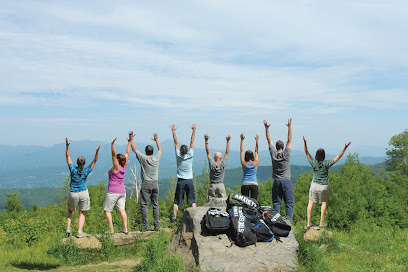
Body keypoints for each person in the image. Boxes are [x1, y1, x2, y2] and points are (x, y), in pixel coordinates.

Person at [303, 136, 351, 228]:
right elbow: (339, 157)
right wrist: (345, 148)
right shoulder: (327, 163)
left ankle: (309, 223)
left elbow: (306, 152)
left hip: (314, 185)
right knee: (324, 203)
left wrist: (305, 143)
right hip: (324, 186)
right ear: (324, 156)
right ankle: (321, 223)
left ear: (316, 155)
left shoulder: (313, 162)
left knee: (310, 203)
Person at [65, 138, 100, 238]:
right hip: (84, 192)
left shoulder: (72, 169)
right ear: (84, 163)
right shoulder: (86, 171)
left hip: (73, 193)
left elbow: (67, 156)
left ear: (77, 162)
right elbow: (95, 161)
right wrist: (97, 152)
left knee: (70, 211)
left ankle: (68, 228)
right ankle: (79, 232)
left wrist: (67, 146)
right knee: (82, 212)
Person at [264, 118, 295, 222]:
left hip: (277, 181)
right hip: (287, 181)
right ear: (283, 147)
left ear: (276, 147)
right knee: (289, 202)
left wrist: (266, 128)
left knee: (276, 202)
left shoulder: (273, 154)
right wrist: (289, 127)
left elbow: (269, 141)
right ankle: (289, 222)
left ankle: (277, 221)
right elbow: (289, 140)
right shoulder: (286, 154)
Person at [131, 133, 162, 231]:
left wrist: (131, 140)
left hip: (146, 184)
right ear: (153, 152)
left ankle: (145, 227)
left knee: (144, 205)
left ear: (145, 152)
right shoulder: (156, 158)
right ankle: (157, 226)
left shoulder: (143, 159)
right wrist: (157, 140)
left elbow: (134, 150)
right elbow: (160, 150)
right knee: (155, 205)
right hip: (155, 183)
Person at [103, 135, 133, 234]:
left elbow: (113, 155)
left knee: (107, 211)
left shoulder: (116, 167)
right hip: (122, 192)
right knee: (122, 210)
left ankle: (111, 230)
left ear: (117, 161)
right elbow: (127, 153)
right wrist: (130, 142)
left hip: (113, 192)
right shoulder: (123, 166)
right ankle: (125, 229)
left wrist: (112, 145)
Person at [170, 123, 197, 224]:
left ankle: (174, 218)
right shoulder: (190, 155)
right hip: (189, 181)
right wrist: (194, 131)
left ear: (180, 151)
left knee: (176, 201)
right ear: (187, 151)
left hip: (180, 181)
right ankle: (195, 218)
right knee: (192, 201)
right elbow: (192, 142)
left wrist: (173, 132)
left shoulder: (178, 156)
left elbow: (175, 143)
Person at [204, 133, 231, 201]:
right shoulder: (222, 164)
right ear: (221, 158)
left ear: (214, 157)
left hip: (212, 185)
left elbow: (208, 153)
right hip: (220, 185)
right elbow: (227, 153)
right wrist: (228, 141)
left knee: (210, 203)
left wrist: (206, 141)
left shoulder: (212, 164)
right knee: (223, 202)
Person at [240, 133, 259, 199]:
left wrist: (242, 140)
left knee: (245, 203)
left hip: (245, 183)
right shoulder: (255, 163)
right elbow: (256, 151)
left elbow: (241, 151)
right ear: (252, 156)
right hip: (254, 184)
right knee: (254, 202)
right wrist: (257, 141)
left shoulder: (243, 163)